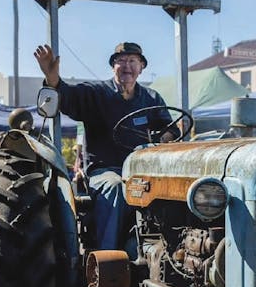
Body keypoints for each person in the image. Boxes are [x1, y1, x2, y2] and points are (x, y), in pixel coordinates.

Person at [34, 41, 176, 251]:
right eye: (121, 61)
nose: (127, 66)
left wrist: (165, 137)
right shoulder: (96, 93)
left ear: (141, 67)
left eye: (132, 61)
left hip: (143, 171)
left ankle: (170, 249)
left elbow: (169, 128)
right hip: (105, 170)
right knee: (115, 186)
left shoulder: (152, 98)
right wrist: (52, 78)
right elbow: (68, 97)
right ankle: (107, 256)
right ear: (113, 66)